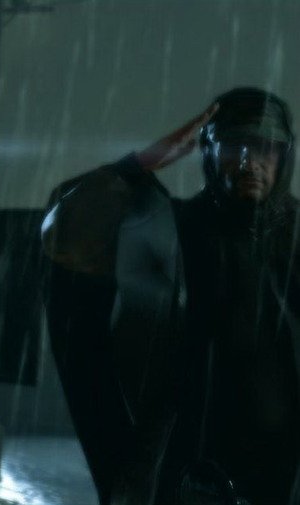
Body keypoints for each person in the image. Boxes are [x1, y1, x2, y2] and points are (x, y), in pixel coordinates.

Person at [42, 88, 299, 505]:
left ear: (283, 156)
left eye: (264, 148)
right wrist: (140, 164)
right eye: (234, 145)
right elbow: (65, 233)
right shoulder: (175, 227)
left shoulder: (295, 235)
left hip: (282, 465)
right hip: (185, 461)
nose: (249, 161)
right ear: (209, 152)